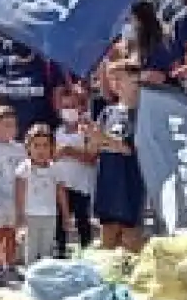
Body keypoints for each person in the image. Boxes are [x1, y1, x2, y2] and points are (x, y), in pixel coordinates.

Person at [88, 58, 146, 251]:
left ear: (136, 80)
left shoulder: (143, 113)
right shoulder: (107, 112)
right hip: (108, 185)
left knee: (131, 240)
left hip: (131, 185)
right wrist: (91, 137)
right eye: (113, 79)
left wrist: (103, 137)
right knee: (108, 239)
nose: (115, 84)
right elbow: (93, 150)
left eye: (120, 79)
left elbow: (130, 148)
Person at [0, 40, 61, 137]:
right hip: (9, 141)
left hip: (40, 141)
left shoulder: (47, 66)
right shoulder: (0, 67)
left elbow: (57, 101)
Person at [51, 82, 97, 256]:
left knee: (82, 221)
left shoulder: (86, 131)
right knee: (60, 221)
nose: (68, 110)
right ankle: (60, 252)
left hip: (82, 185)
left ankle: (87, 253)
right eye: (65, 106)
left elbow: (91, 158)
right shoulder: (58, 132)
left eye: (72, 106)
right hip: (62, 185)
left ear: (82, 107)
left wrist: (69, 151)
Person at [15, 125, 66, 267]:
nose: (41, 150)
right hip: (30, 215)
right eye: (36, 145)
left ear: (51, 148)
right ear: (28, 147)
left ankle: (44, 277)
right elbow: (20, 191)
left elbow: (60, 191)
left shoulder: (55, 168)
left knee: (47, 249)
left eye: (45, 145)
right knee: (30, 248)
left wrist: (66, 215)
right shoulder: (24, 167)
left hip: (50, 215)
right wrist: (19, 214)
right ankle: (30, 274)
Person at [0, 106, 25, 280]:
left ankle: (9, 263)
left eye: (13, 125)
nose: (11, 129)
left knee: (11, 233)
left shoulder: (20, 149)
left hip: (14, 198)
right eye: (6, 125)